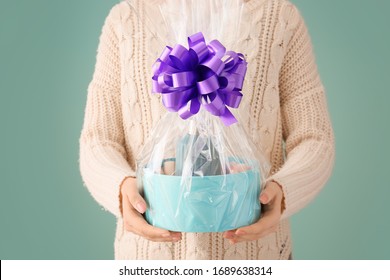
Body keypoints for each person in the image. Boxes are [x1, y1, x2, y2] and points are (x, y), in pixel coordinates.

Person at [79, 0, 335, 260]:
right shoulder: (126, 19)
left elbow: (314, 138)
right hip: (147, 259)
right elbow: (98, 140)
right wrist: (120, 188)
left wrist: (282, 191)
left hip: (257, 258)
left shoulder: (279, 18)